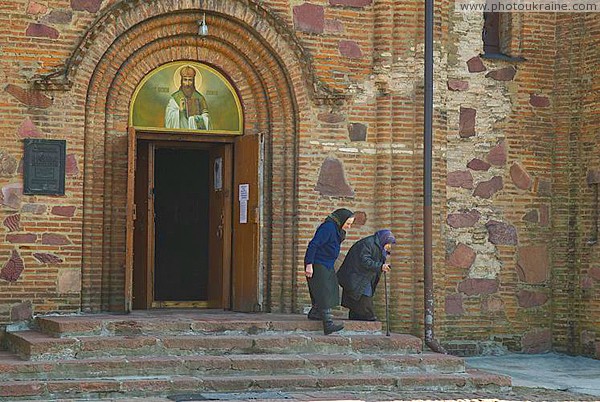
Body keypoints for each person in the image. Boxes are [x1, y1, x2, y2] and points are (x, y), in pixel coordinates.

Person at [304, 208, 355, 335]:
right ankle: (328, 324)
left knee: (331, 289)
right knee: (324, 291)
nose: (348, 227)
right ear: (341, 220)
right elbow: (313, 245)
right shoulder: (327, 228)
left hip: (327, 264)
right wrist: (309, 264)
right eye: (348, 223)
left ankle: (315, 313)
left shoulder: (337, 229)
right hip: (318, 263)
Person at [336, 229, 395, 321]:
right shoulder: (368, 243)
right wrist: (380, 266)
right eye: (388, 243)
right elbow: (365, 260)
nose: (389, 246)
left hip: (363, 275)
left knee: (359, 296)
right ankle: (367, 316)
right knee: (364, 296)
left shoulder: (377, 244)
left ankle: (359, 316)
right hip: (356, 274)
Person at [165, 65, 211, 130]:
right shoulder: (175, 98)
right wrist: (179, 111)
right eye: (185, 80)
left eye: (190, 80)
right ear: (181, 81)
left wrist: (196, 119)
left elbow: (206, 116)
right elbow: (169, 118)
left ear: (193, 81)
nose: (187, 83)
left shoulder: (200, 98)